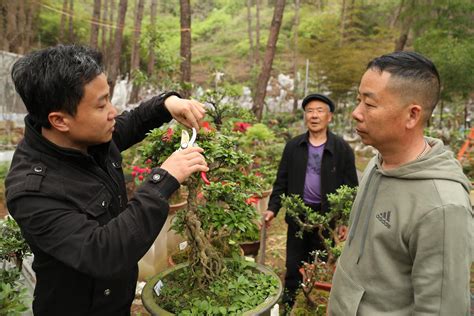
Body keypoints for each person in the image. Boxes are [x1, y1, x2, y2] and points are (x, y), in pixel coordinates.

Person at [5, 44, 209, 316]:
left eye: (109, 99)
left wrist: (167, 103)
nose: (113, 112)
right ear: (60, 120)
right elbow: (103, 252)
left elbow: (132, 122)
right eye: (101, 105)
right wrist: (164, 179)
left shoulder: (88, 138)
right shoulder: (32, 191)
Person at [328, 51, 473, 315]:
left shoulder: (442, 208)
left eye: (370, 104)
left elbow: (441, 309)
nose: (356, 113)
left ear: (412, 115)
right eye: (358, 100)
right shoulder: (377, 162)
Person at [263, 93, 358, 309]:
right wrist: (272, 209)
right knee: (293, 263)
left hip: (326, 219)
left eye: (319, 111)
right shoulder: (294, 147)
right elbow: (282, 181)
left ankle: (312, 302)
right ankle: (288, 303)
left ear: (329, 117)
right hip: (298, 216)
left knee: (320, 264)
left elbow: (351, 188)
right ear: (305, 116)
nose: (314, 116)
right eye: (310, 111)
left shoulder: (342, 149)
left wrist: (343, 220)